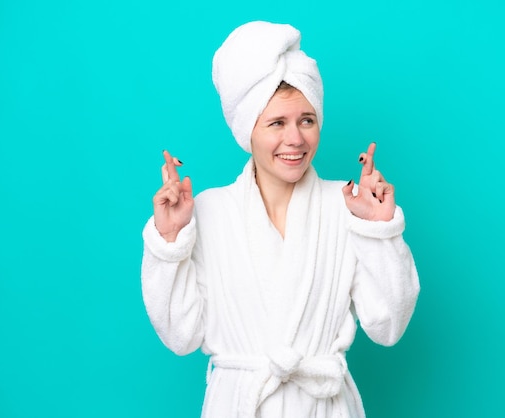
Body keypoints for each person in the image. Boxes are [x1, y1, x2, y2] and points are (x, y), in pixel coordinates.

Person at [141, 21, 420, 418]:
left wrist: (381, 232)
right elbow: (181, 336)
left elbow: (388, 327)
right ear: (247, 130)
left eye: (306, 120)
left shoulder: (348, 206)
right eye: (277, 123)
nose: (296, 139)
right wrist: (168, 242)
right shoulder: (208, 211)